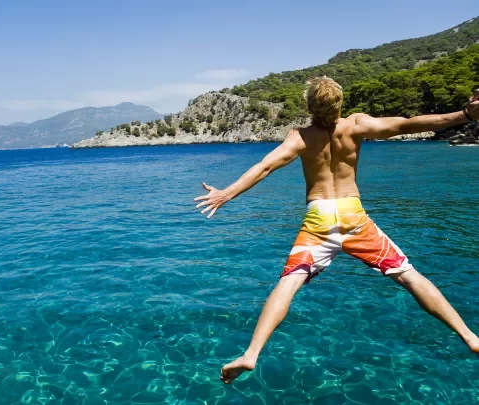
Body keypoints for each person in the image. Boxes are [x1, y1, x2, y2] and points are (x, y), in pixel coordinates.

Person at [194, 77, 479, 384]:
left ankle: (251, 353)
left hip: (319, 218)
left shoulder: (299, 137)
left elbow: (264, 166)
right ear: (340, 104)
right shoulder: (355, 125)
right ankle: (468, 336)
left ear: (309, 106)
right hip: (353, 214)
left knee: (289, 283)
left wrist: (227, 194)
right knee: (408, 275)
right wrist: (464, 115)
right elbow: (407, 125)